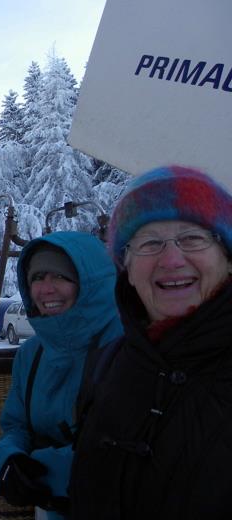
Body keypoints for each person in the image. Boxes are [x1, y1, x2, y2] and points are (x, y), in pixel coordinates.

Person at [69, 166, 232, 520]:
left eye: (192, 238)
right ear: (126, 264)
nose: (172, 260)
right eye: (150, 243)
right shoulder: (105, 365)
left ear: (228, 258)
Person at [0, 232, 121, 520]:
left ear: (89, 284)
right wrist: (8, 458)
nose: (46, 289)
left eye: (61, 277)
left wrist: (41, 469)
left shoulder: (128, 347)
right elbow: (15, 425)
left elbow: (125, 448)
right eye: (37, 277)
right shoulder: (32, 354)